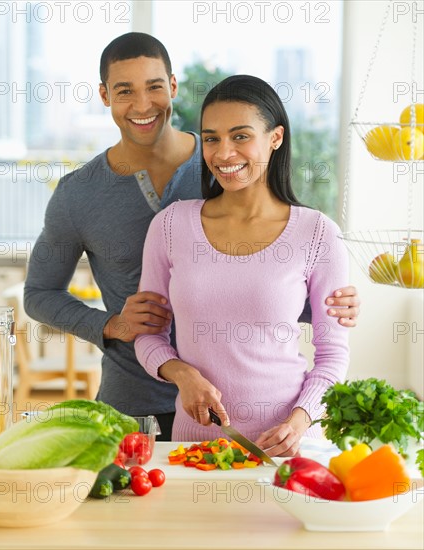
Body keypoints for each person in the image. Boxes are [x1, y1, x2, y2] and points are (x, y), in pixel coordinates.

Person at [24, 33, 359, 441]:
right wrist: (111, 325)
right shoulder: (80, 194)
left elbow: (272, 280)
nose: (143, 105)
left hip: (260, 415)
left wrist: (328, 304)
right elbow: (39, 294)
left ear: (173, 87)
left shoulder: (228, 162)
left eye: (154, 87)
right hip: (135, 400)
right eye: (125, 91)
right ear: (104, 95)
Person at [134, 75, 350, 455]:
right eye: (212, 138)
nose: (223, 154)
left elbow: (333, 354)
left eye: (240, 136)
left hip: (288, 448)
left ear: (275, 138)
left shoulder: (317, 233)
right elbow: (149, 335)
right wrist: (182, 375)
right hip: (196, 447)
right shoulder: (171, 226)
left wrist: (300, 420)